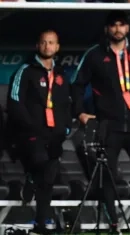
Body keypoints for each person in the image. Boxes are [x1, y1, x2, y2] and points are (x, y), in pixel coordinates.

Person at [70, 10, 130, 235]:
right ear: (107, 29)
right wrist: (80, 113)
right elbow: (76, 84)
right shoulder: (95, 55)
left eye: (121, 25)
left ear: (127, 28)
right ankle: (113, 225)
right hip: (108, 126)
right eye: (113, 25)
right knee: (107, 176)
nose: (117, 29)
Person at [7, 30, 71, 235]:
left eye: (51, 43)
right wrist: (29, 126)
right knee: (40, 162)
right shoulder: (25, 70)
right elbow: (15, 101)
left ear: (57, 47)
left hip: (55, 134)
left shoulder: (60, 74)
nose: (47, 46)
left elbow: (66, 105)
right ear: (38, 45)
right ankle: (31, 180)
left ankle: (41, 224)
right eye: (43, 42)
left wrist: (65, 128)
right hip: (30, 133)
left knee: (49, 179)